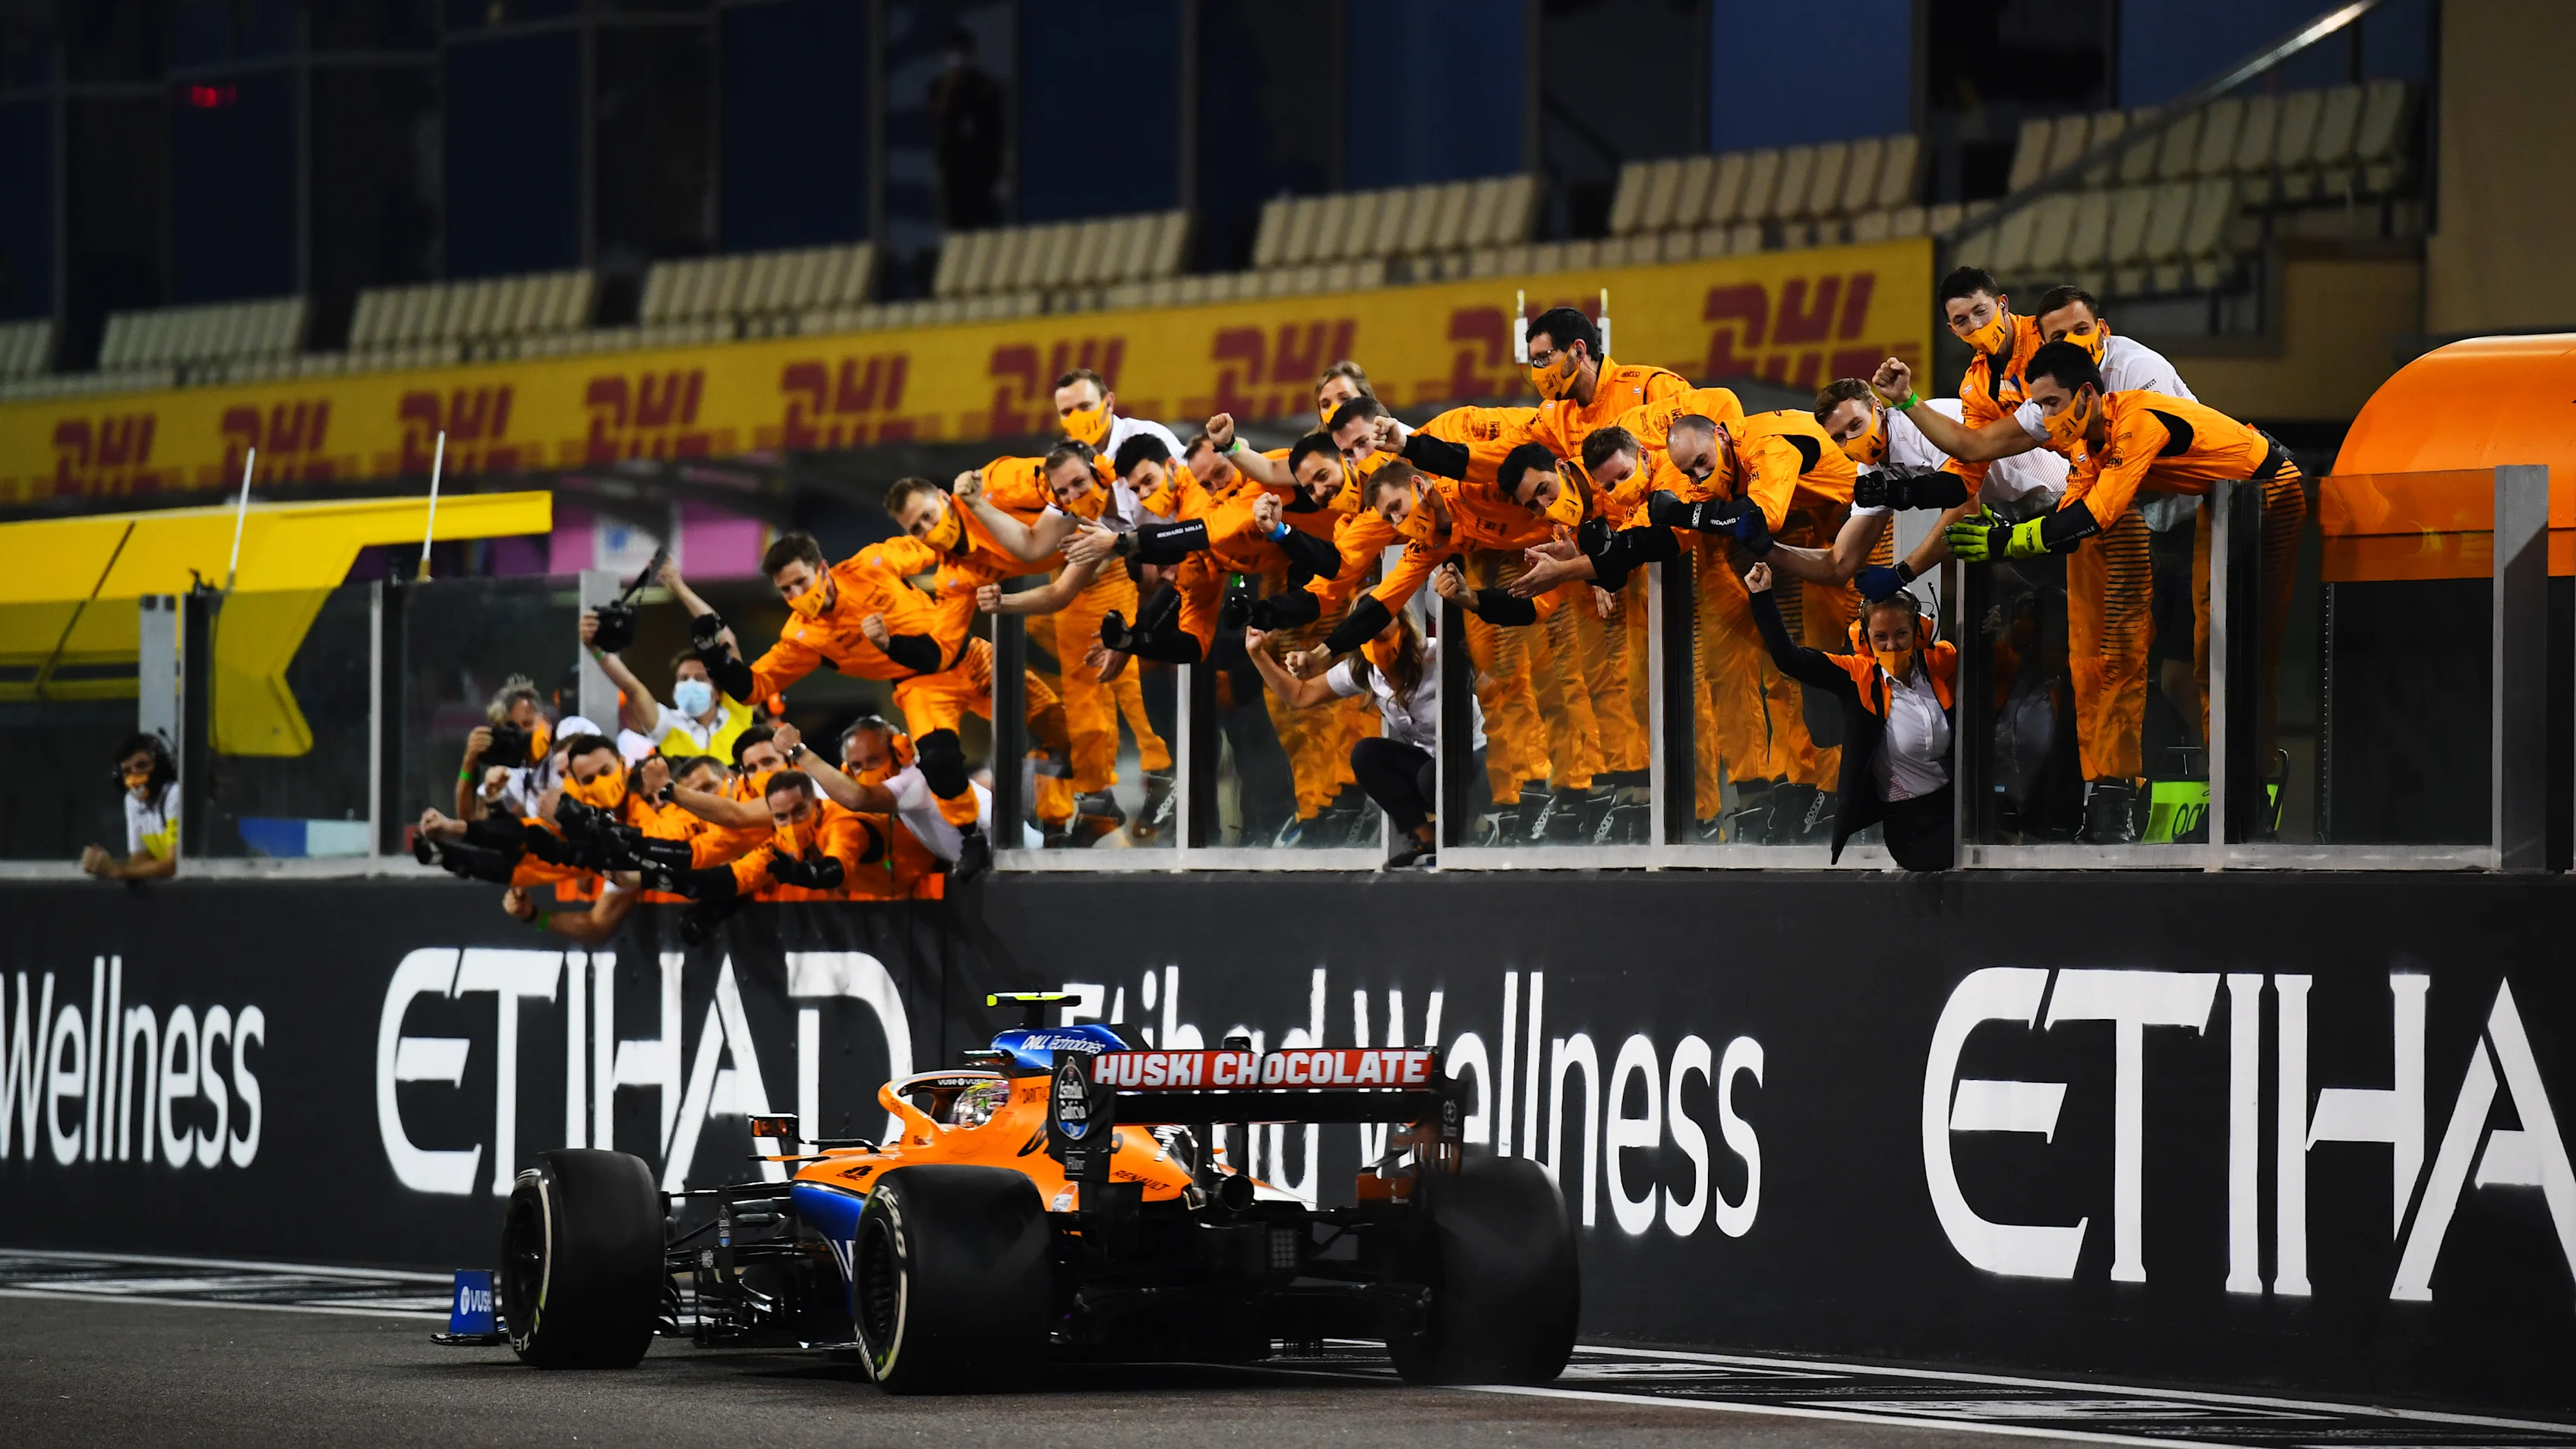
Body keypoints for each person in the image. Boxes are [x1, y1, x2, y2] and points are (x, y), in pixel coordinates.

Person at [1927, 340, 2308, 840]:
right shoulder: (2089, 448)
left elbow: (2096, 516)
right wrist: (2010, 544)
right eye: (2038, 406)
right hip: (2228, 504)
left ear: (2087, 394)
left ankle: (2249, 805)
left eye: (2051, 403)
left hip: (2270, 494)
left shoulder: (2134, 420)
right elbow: (2071, 522)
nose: (2044, 417)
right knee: (2207, 659)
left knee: (2240, 660)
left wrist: (2007, 539)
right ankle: (2238, 805)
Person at [1746, 561, 1956, 870]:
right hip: (1910, 825)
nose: (1892, 645)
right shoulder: (1858, 674)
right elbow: (1791, 659)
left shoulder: (1940, 663)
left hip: (1954, 807)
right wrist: (1762, 597)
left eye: (1901, 633)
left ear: (1920, 631)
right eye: (1880, 636)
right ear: (1864, 637)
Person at [1245, 604, 1482, 870]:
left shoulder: (1435, 653)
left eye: (1381, 616)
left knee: (1431, 778)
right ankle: (1428, 841)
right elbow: (1300, 695)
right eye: (1364, 619)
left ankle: (1472, 833)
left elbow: (1488, 679)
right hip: (1433, 761)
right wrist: (1257, 654)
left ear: (1401, 624)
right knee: (1367, 755)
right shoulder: (1363, 670)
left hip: (1476, 755)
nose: (1373, 624)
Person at [930, 27, 1003, 230]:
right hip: (952, 168)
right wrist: (950, 84)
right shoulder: (939, 86)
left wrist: (1000, 170)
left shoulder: (985, 85)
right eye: (954, 53)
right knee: (956, 223)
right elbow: (937, 116)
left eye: (963, 52)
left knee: (985, 222)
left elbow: (996, 129)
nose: (959, 58)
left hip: (982, 168)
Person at [81, 732, 179, 882]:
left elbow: (174, 865)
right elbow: (139, 860)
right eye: (127, 771)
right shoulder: (132, 801)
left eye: (142, 766)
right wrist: (104, 865)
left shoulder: (175, 794)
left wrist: (115, 870)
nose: (134, 777)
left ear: (160, 766)